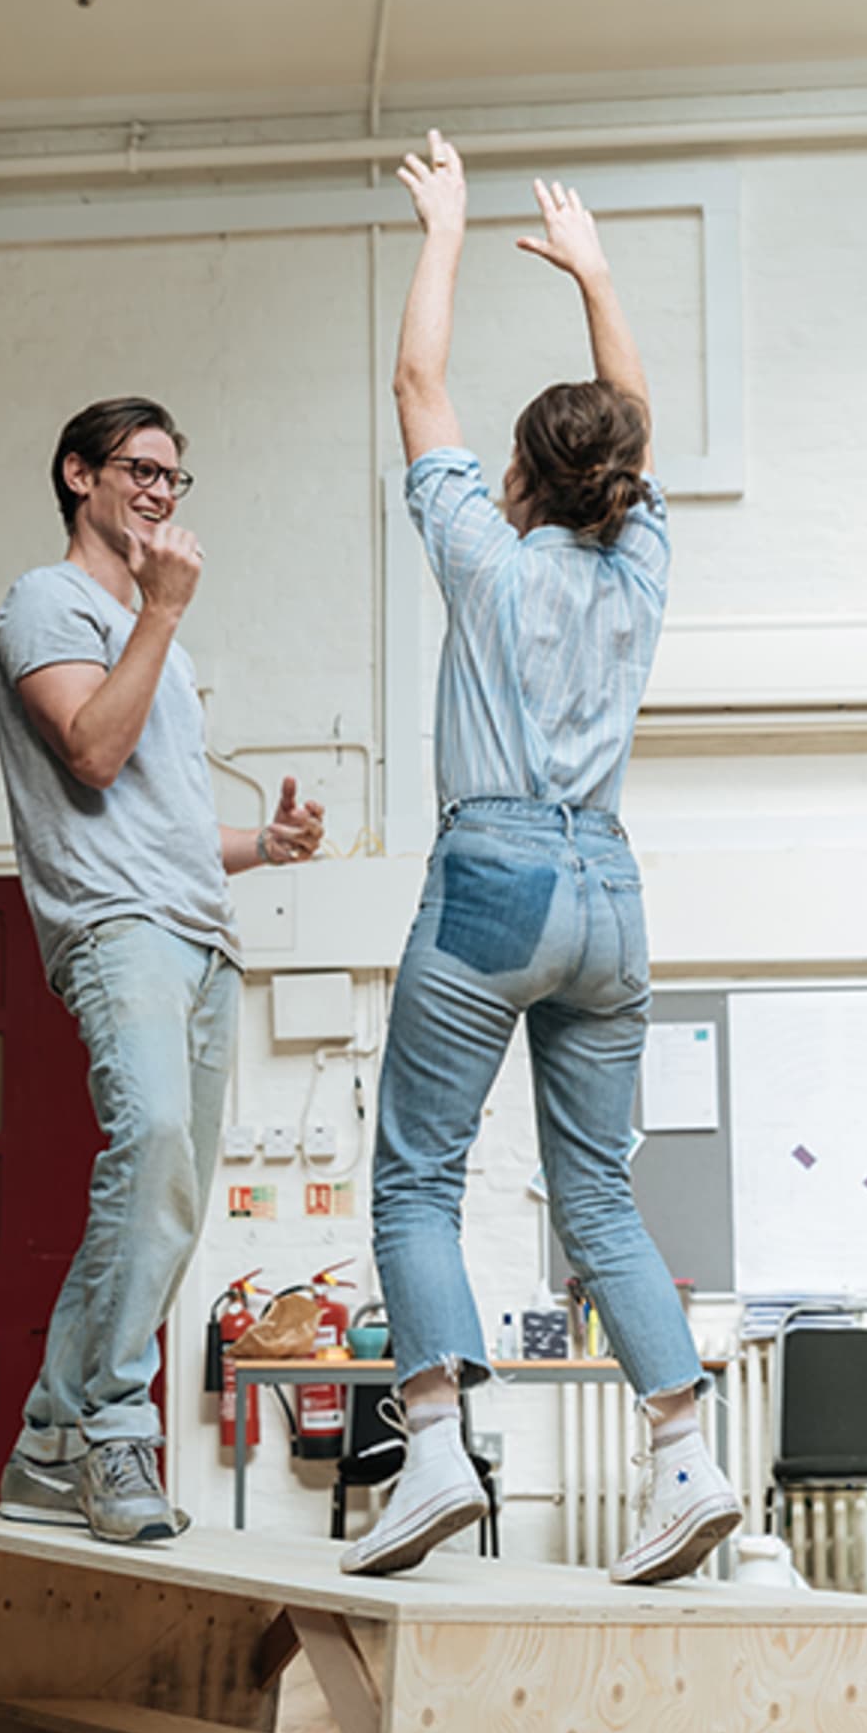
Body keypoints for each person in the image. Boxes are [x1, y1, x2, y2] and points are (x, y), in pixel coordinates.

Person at [341, 133, 741, 1583]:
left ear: (517, 471)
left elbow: (414, 386)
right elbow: (630, 427)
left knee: (415, 1180)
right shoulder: (642, 569)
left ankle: (435, 1446)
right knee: (600, 1197)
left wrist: (444, 226)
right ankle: (684, 1462)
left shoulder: (486, 557)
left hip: (497, 877)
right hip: (613, 896)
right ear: (617, 480)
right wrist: (598, 272)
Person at [0, 396, 323, 1544]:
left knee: (166, 1201)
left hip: (201, 930)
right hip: (115, 926)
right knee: (154, 1154)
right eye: (139, 470)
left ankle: (45, 1445)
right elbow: (90, 751)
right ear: (78, 474)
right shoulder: (51, 602)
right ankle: (117, 1430)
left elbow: (165, 818)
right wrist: (163, 615)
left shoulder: (152, 649)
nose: (159, 493)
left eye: (176, 479)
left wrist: (261, 846)